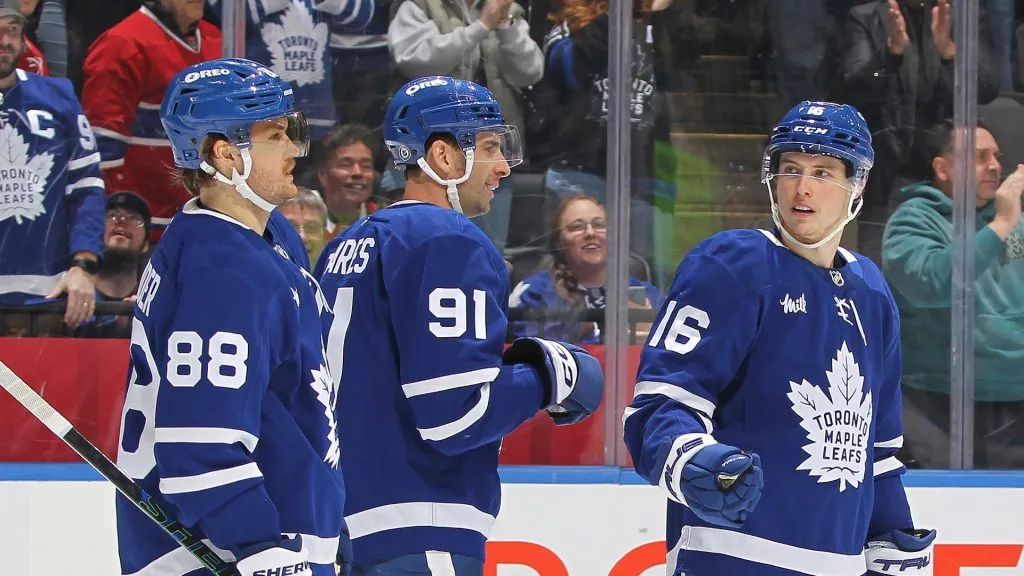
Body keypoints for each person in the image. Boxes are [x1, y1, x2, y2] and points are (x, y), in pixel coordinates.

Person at [623, 101, 935, 576]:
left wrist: (893, 537)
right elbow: (659, 407)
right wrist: (692, 460)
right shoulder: (732, 266)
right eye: (791, 168)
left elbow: (877, 451)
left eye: (824, 172)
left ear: (858, 185)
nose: (802, 187)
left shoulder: (872, 292)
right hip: (731, 559)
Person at [313, 76, 604, 575]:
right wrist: (552, 375)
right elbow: (455, 413)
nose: (503, 166)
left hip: (346, 529)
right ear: (443, 157)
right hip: (422, 527)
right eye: (489, 147)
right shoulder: (449, 239)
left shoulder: (347, 245)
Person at [114, 58, 350, 576]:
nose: (293, 148)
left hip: (286, 535)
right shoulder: (220, 268)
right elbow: (199, 443)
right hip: (224, 554)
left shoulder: (264, 238)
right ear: (225, 154)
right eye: (275, 135)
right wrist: (258, 546)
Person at [509, 193, 662, 343]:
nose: (590, 233)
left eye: (599, 225)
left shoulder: (646, 293)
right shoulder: (534, 294)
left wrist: (644, 332)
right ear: (559, 243)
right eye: (576, 227)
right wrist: (588, 333)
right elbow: (533, 354)